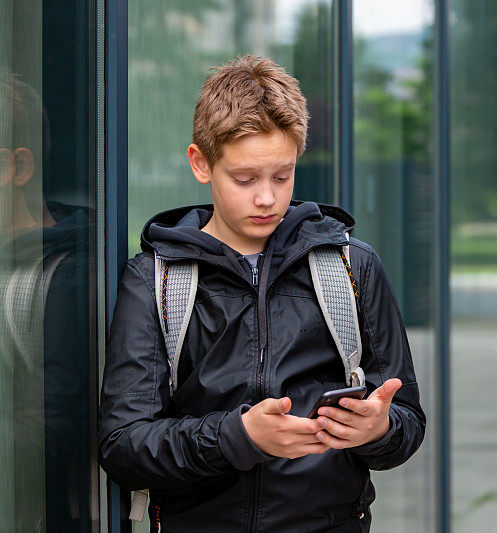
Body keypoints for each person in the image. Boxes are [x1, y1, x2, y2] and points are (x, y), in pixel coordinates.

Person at [98, 55, 425, 532]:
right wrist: (238, 437)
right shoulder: (157, 280)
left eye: (283, 175)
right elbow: (123, 446)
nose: (267, 198)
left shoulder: (351, 268)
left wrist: (379, 430)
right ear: (201, 164)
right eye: (245, 179)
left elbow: (407, 425)